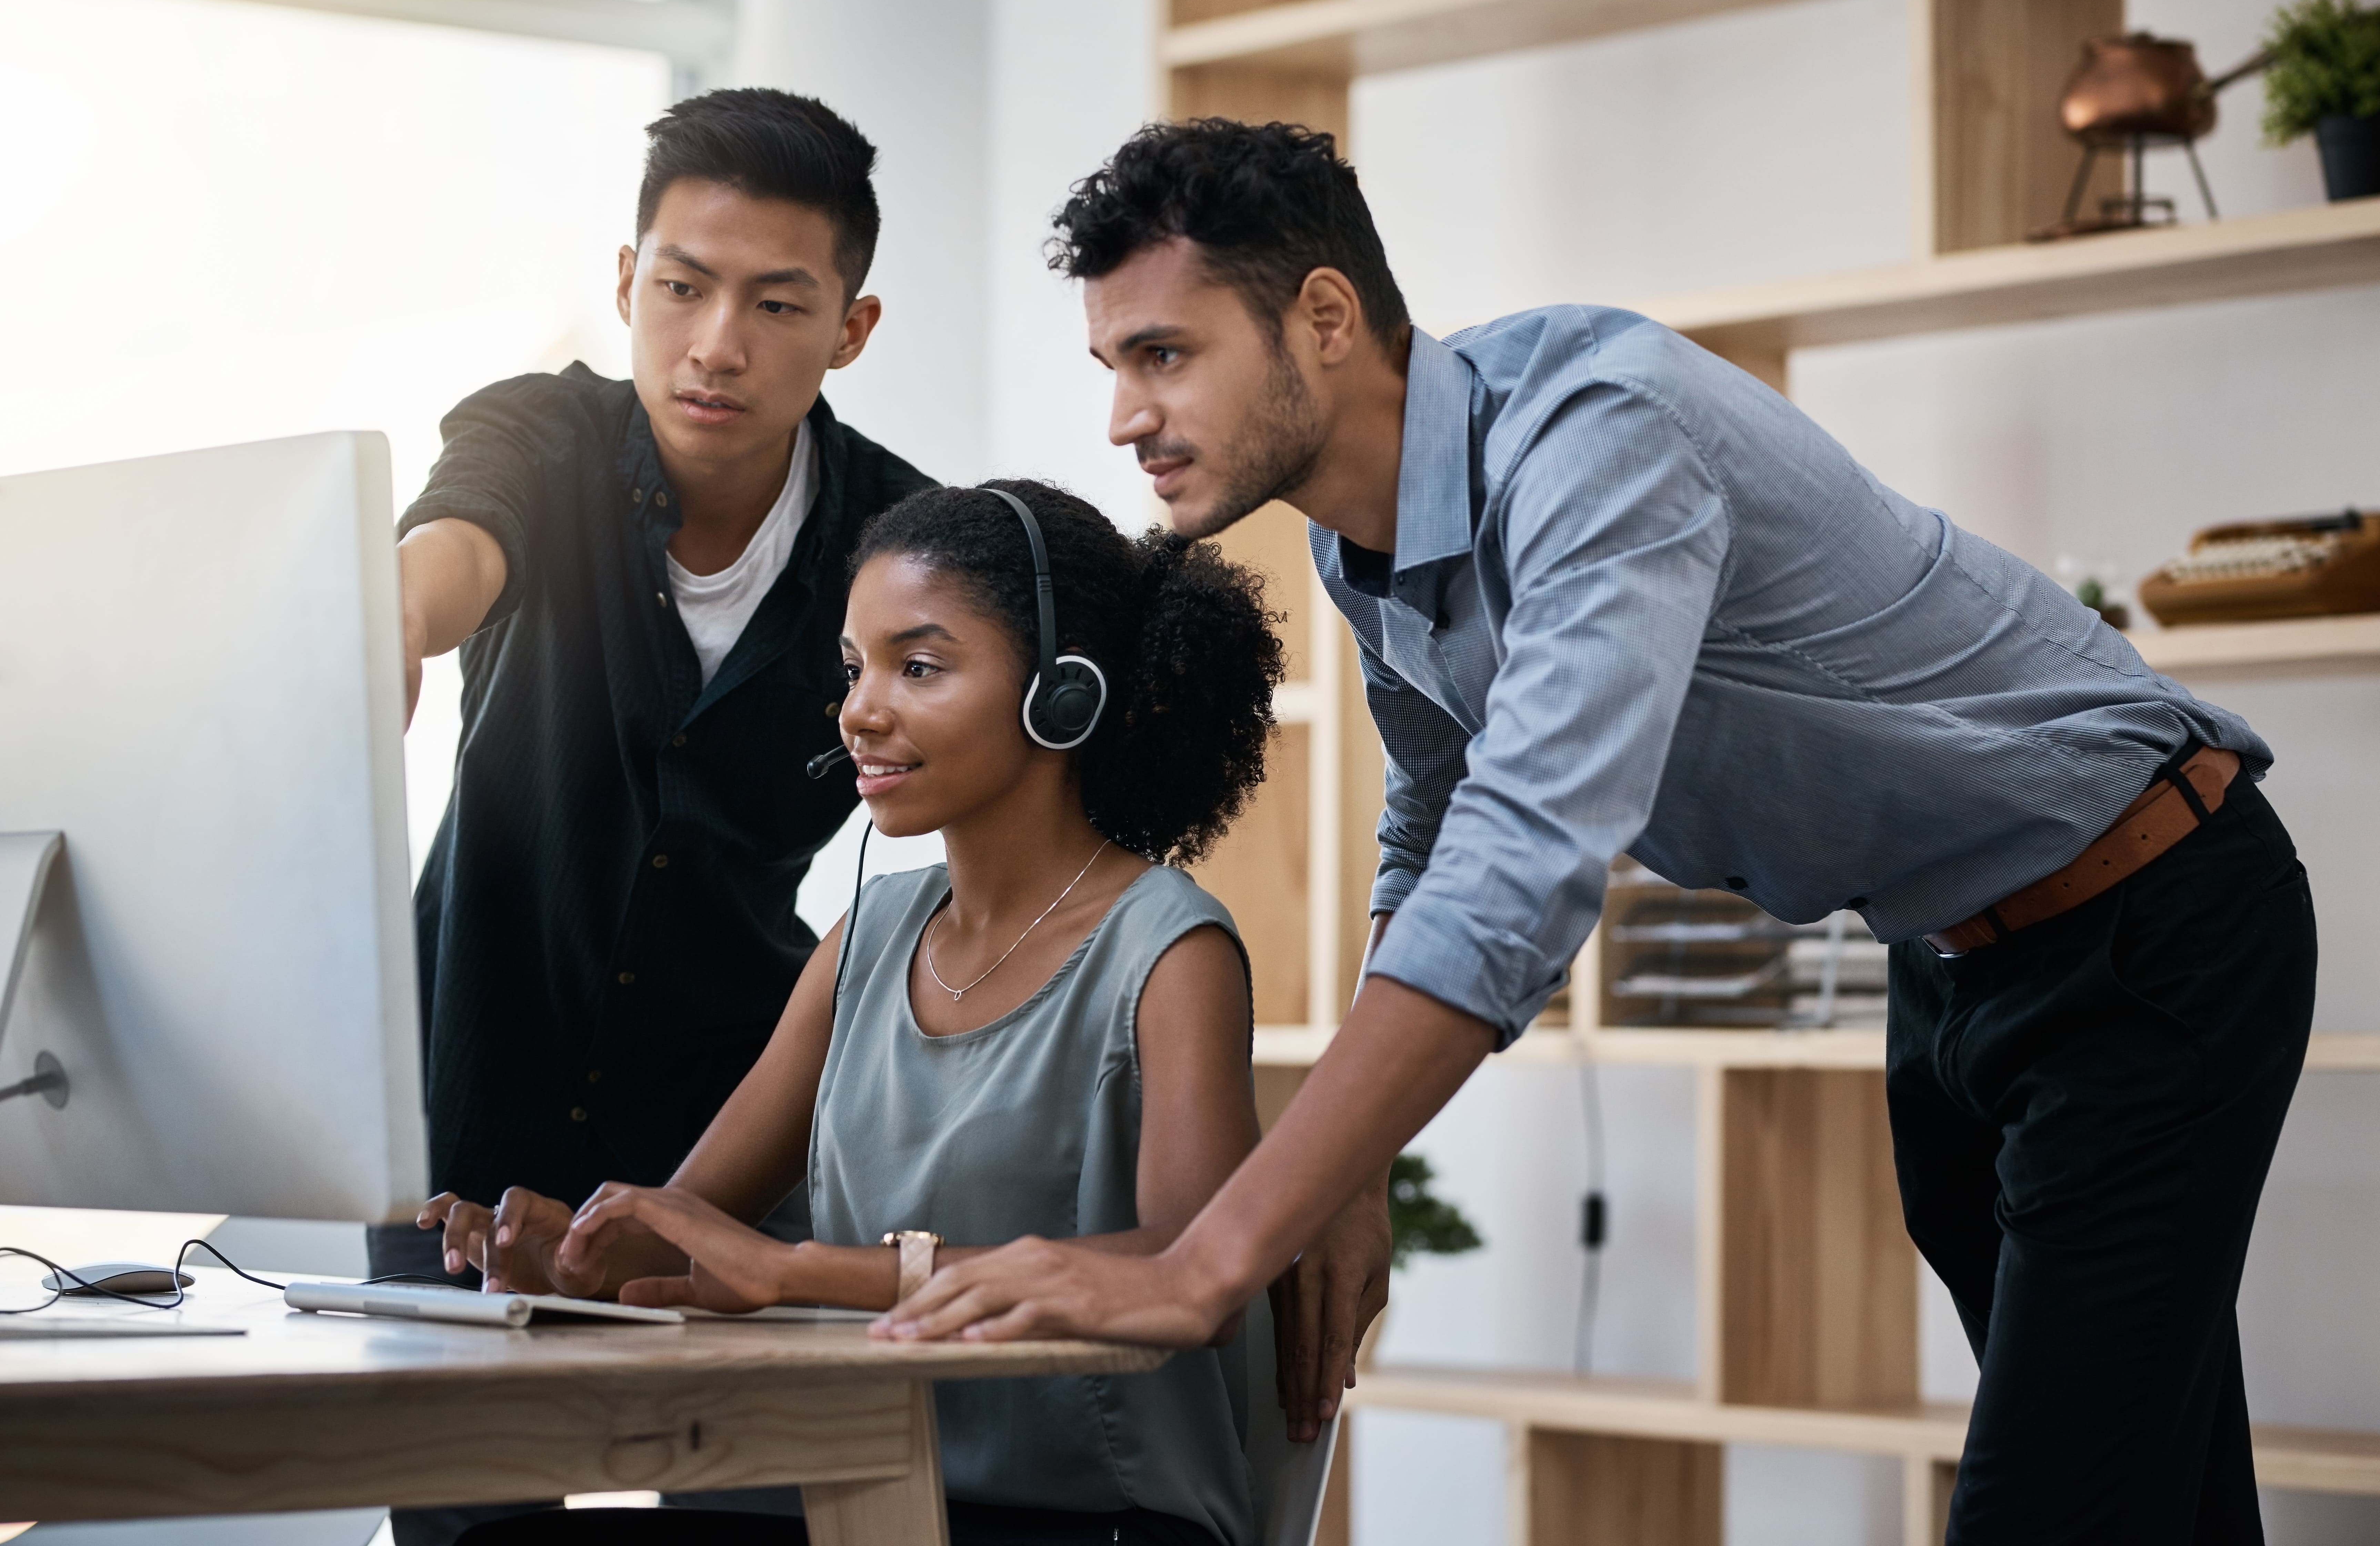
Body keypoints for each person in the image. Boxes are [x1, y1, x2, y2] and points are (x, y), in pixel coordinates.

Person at [881, 120, 2317, 1546]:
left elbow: (1524, 855)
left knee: (2050, 1509)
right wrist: (1351, 1182)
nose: (1126, 414)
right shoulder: (1354, 533)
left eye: (1164, 355)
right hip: (1950, 967)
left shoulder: (1600, 433)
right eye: (1112, 366)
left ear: (1322, 317)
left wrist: (1206, 1263)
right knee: (2156, 1494)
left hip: (2150, 922)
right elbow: (1437, 815)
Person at [416, 479, 1287, 1546]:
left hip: (1097, 1521)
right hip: (878, 1498)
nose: (860, 711)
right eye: (852, 669)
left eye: (918, 667)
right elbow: (682, 1241)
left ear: (1065, 693)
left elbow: (1193, 1275)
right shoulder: (866, 940)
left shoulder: (1170, 948)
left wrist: (801, 1273)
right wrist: (568, 1259)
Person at [381, 88, 931, 1543]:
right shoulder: (540, 436)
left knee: (768, 1520)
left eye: (775, 302)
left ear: (851, 329)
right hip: (455, 1131)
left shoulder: (905, 544)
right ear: (629, 283)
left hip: (729, 1154)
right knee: (473, 1531)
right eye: (682, 287)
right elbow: (452, 546)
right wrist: (385, 628)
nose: (716, 344)